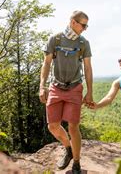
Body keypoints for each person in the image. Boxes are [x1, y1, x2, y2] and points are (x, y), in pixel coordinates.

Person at [39, 10, 93, 174]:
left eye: (86, 25)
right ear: (73, 22)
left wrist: (89, 91)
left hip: (75, 88)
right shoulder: (55, 39)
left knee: (73, 127)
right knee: (53, 126)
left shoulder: (83, 43)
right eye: (83, 25)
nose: (85, 28)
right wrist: (42, 85)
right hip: (56, 86)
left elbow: (88, 68)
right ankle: (68, 149)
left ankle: (76, 163)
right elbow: (46, 63)